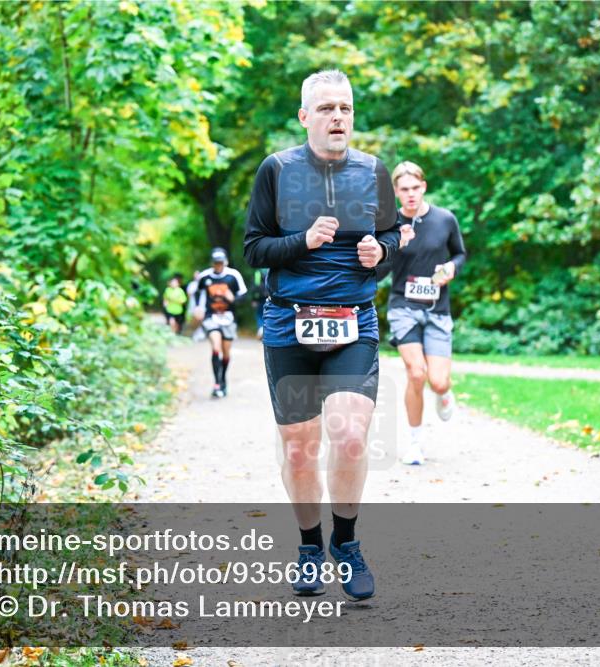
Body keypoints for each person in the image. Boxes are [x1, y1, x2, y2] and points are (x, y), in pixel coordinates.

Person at [243, 69, 400, 601]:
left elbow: (390, 236)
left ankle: (347, 544)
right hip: (289, 322)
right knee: (298, 451)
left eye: (347, 108)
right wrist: (303, 241)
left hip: (353, 321)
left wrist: (381, 252)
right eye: (328, 108)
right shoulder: (277, 170)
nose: (339, 117)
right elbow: (255, 249)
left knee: (351, 434)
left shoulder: (373, 171)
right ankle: (310, 546)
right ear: (305, 116)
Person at [385, 161, 466, 465]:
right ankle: (415, 444)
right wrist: (393, 246)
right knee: (415, 373)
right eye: (404, 189)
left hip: (437, 310)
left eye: (415, 188)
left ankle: (445, 393)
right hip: (403, 307)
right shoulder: (390, 223)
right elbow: (379, 268)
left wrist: (451, 268)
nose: (410, 195)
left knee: (438, 381)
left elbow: (460, 253)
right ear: (395, 192)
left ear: (424, 187)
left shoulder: (445, 219)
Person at [191, 248, 247, 398]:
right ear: (212, 263)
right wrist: (198, 308)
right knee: (216, 347)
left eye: (221, 263)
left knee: (226, 352)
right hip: (211, 317)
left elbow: (244, 296)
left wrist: (232, 298)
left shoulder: (233, 276)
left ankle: (223, 380)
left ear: (225, 262)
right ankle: (216, 383)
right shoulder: (205, 276)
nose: (218, 266)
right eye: (216, 263)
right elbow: (197, 293)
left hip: (229, 317)